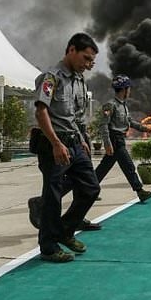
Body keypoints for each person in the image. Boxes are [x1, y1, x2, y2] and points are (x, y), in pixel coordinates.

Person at [32, 33, 101, 263]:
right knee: (53, 197)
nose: (89, 65)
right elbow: (41, 112)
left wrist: (82, 138)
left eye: (92, 61)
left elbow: (77, 116)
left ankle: (64, 231)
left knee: (91, 188)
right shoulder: (52, 77)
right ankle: (49, 247)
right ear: (71, 50)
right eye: (86, 58)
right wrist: (56, 143)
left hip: (74, 141)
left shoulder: (80, 80)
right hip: (53, 143)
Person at [94, 75, 151, 202]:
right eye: (128, 88)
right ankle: (140, 191)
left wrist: (146, 129)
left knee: (103, 168)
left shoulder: (123, 106)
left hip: (120, 138)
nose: (130, 91)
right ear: (124, 89)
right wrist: (107, 143)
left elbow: (130, 122)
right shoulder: (110, 105)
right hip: (115, 140)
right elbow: (103, 124)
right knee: (128, 166)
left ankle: (89, 190)